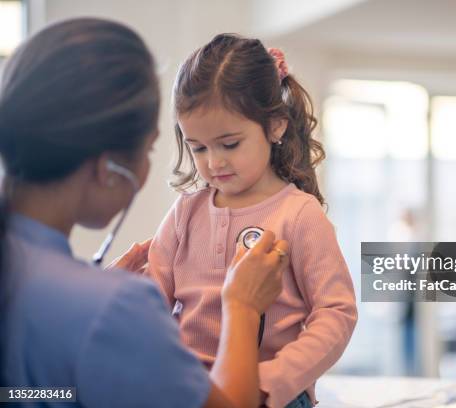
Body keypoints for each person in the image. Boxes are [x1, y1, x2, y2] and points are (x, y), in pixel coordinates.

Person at [0, 18, 288, 408]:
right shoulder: (113, 308)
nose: (212, 162)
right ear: (109, 169)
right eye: (196, 148)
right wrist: (242, 306)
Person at [144, 34, 358, 408]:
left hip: (270, 394)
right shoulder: (184, 212)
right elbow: (151, 299)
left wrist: (274, 379)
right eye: (198, 148)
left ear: (275, 126)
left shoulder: (299, 214)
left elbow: (336, 313)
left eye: (229, 144)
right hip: (191, 390)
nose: (213, 162)